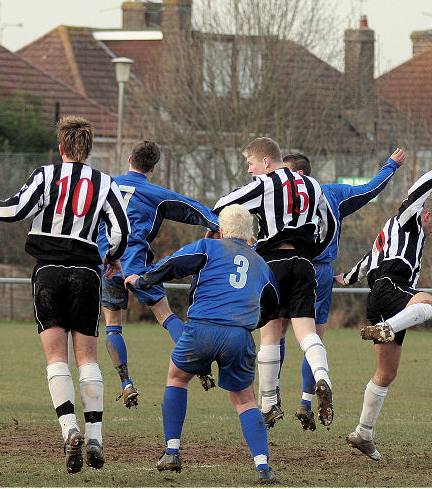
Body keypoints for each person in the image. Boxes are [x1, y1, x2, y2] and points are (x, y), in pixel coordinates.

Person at [0, 115, 129, 474]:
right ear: (89, 149)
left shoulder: (46, 175)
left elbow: (16, 210)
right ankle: (95, 436)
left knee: (56, 358)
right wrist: (110, 259)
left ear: (61, 148)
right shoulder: (105, 183)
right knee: (88, 358)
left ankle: (70, 432)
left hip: (48, 270)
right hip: (85, 273)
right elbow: (120, 233)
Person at [125, 204, 280, 484]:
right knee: (245, 399)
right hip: (239, 335)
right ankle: (263, 466)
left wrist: (144, 279)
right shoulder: (261, 264)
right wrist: (250, 324)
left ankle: (172, 452)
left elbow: (173, 264)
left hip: (203, 328)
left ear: (221, 230)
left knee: (176, 377)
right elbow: (272, 305)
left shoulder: (208, 247)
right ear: (250, 234)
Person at [277, 148, 404, 430]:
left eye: (283, 172)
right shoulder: (331, 193)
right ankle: (305, 402)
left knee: (277, 331)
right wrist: (390, 166)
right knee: (314, 339)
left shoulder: (282, 195)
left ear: (297, 173)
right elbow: (369, 190)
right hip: (320, 273)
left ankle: (272, 396)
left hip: (287, 266)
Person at [213, 137, 335, 429]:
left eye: (251, 164)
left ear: (266, 161)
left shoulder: (265, 183)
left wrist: (241, 231)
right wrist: (312, 251)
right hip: (305, 263)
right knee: (306, 331)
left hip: (272, 264)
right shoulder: (313, 185)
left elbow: (223, 205)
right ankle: (322, 376)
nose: (251, 171)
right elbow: (329, 226)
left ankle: (269, 404)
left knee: (270, 333)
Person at [335, 155, 432, 461]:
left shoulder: (389, 235)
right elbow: (416, 195)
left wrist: (342, 278)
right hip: (391, 287)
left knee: (386, 372)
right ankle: (388, 327)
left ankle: (363, 433)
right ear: (426, 216)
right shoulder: (408, 220)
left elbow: (366, 263)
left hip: (380, 295)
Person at [97, 140, 220, 408]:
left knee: (113, 327)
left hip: (105, 264)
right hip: (135, 266)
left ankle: (126, 384)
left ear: (129, 158)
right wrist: (219, 225)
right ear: (153, 167)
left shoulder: (104, 184)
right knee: (166, 316)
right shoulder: (155, 193)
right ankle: (199, 365)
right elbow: (192, 208)